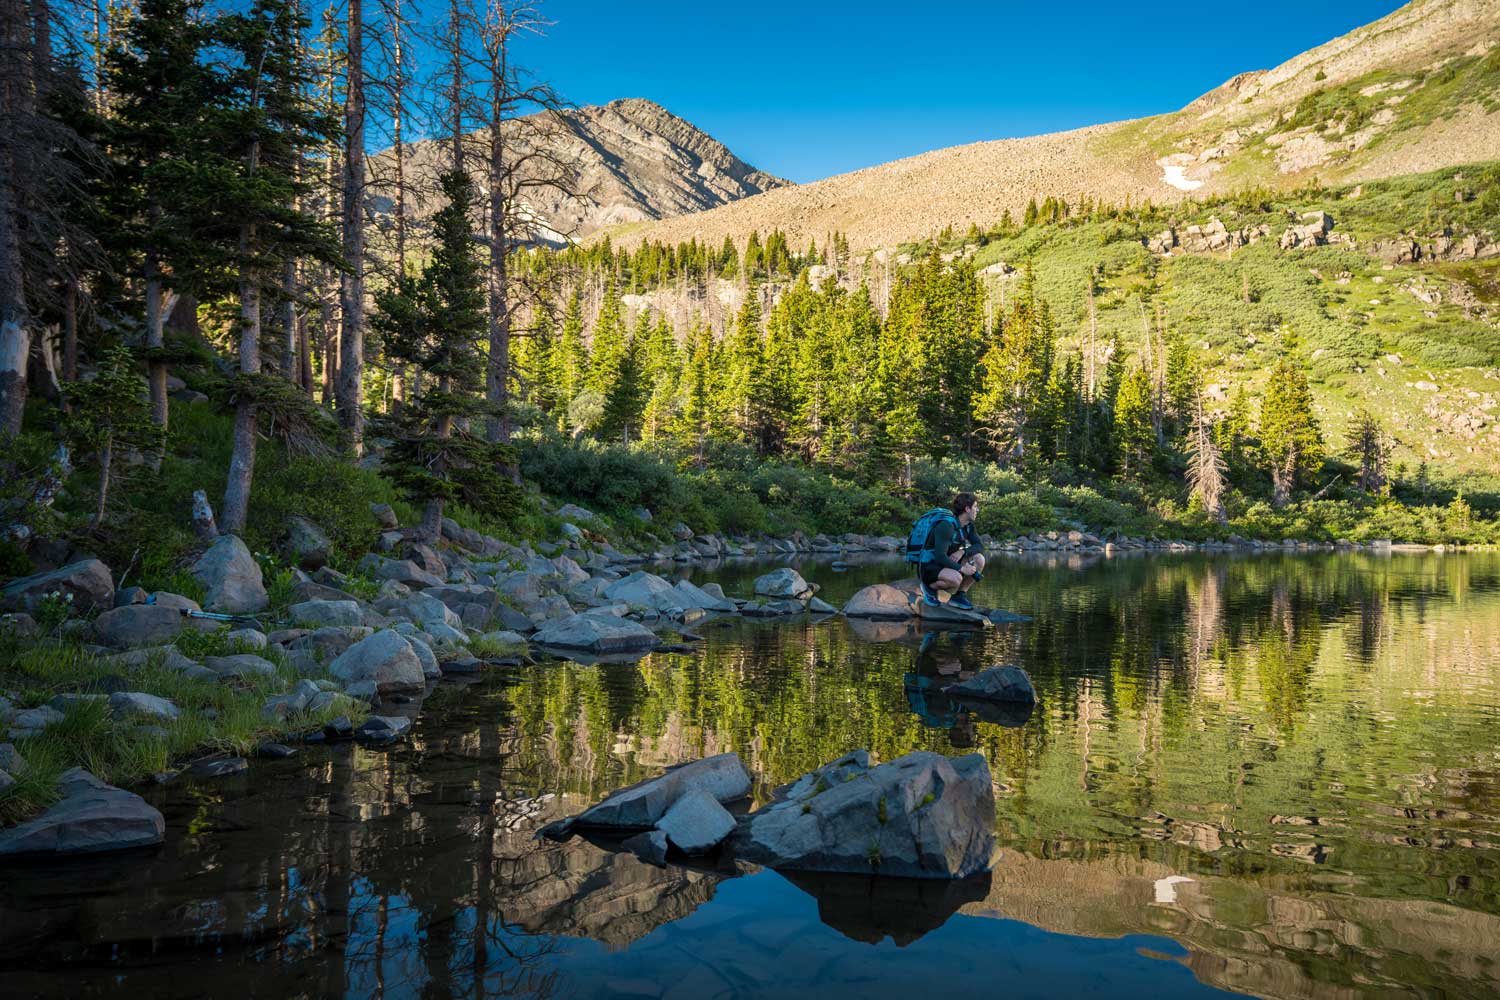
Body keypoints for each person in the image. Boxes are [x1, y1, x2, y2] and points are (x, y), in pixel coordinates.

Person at [918, 492, 985, 609]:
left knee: (979, 559)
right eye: (975, 507)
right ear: (967, 509)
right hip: (930, 565)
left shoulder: (968, 526)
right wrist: (962, 569)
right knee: (956, 579)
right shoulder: (946, 526)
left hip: (946, 563)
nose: (977, 510)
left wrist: (963, 551)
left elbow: (979, 546)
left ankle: (959, 596)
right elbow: (939, 556)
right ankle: (929, 588)